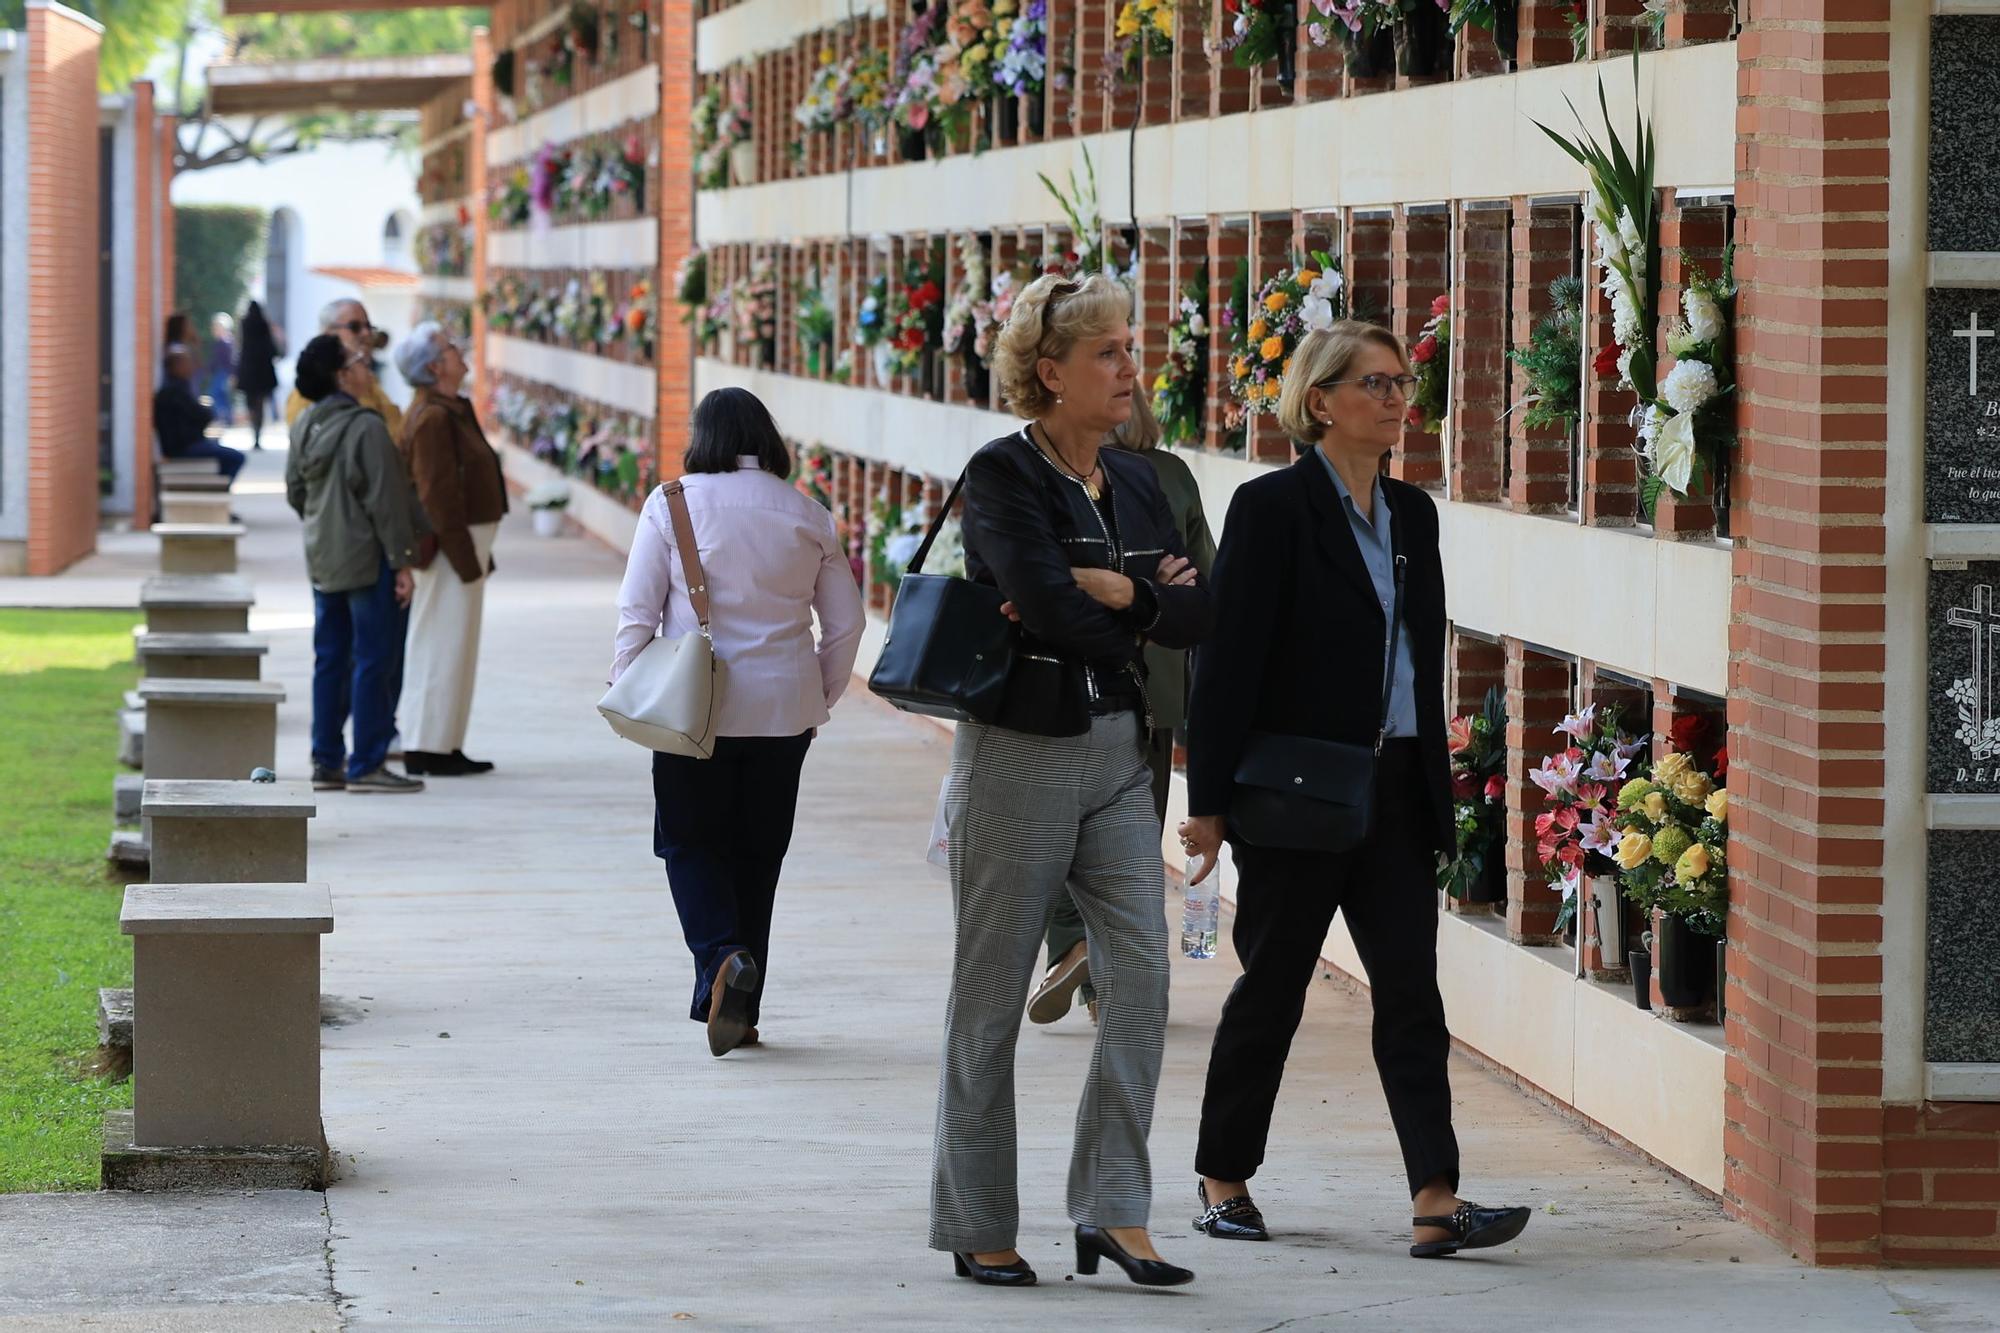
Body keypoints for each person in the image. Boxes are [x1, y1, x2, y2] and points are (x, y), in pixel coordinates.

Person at [1179, 321, 1531, 1260]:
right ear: (1321, 399)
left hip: (1399, 790)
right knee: (1275, 988)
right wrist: (1206, 802)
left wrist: (1441, 790)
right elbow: (1228, 662)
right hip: (1295, 794)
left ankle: (1435, 1196)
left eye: (1401, 383)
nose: (1395, 398)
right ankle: (1222, 1178)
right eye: (1374, 383)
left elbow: (1422, 656)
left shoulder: (1416, 514)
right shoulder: (1270, 509)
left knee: (1413, 995)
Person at [930, 272, 1211, 1290]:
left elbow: (1198, 610)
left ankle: (1112, 1212)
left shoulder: (1139, 480)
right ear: (1047, 374)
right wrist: (1141, 605)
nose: (1129, 368)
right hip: (1020, 746)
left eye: (1128, 348)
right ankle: (975, 1219)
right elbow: (1044, 607)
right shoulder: (999, 476)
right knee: (990, 990)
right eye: (1106, 353)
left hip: (1120, 750)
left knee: (1139, 973)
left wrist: (1123, 592)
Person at [610, 387, 864, 1058]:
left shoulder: (670, 505)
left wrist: (628, 682)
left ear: (704, 436)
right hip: (784, 710)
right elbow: (846, 624)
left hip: (694, 705)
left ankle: (722, 958)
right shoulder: (808, 512)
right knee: (759, 856)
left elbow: (638, 611)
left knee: (689, 842)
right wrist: (820, 695)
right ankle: (742, 1012)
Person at [1026, 389, 1215, 1028]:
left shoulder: (1046, 473)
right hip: (1152, 690)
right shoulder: (1173, 476)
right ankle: (1111, 988)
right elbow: (1204, 583)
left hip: (1056, 684)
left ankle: (1073, 949)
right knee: (1131, 839)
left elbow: (1027, 575)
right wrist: (1161, 592)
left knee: (1055, 832)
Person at [285, 334, 427, 795]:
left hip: (325, 558)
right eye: (359, 361)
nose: (368, 367)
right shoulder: (366, 428)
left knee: (330, 658)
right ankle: (366, 761)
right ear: (342, 375)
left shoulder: (306, 423)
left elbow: (296, 493)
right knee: (374, 659)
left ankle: (326, 760)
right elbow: (387, 503)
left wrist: (327, 525)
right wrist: (403, 563)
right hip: (369, 560)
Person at [394, 323, 508, 778]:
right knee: (442, 645)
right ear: (433, 366)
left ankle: (442, 742)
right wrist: (466, 560)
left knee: (453, 645)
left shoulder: (449, 409)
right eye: (449, 348)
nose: (461, 353)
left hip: (463, 545)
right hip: (449, 549)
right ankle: (429, 747)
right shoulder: (434, 417)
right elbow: (437, 497)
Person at [286, 299, 403, 437]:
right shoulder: (312, 390)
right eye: (355, 327)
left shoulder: (369, 381)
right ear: (328, 332)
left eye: (368, 327)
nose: (366, 334)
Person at [153, 346, 245, 483]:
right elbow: (201, 415)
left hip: (184, 444)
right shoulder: (174, 391)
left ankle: (216, 487)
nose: (191, 367)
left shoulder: (177, 387)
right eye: (187, 363)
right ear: (176, 366)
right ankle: (217, 488)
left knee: (222, 450)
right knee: (236, 458)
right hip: (182, 447)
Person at [236, 301, 281, 450]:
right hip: (263, 370)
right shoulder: (263, 324)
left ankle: (254, 431)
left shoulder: (244, 324)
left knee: (251, 404)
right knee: (260, 404)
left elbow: (241, 345)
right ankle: (257, 434)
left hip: (249, 369)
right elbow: (271, 346)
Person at [204, 314, 237, 425]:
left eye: (216, 327)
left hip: (224, 373)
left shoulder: (225, 342)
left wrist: (232, 375)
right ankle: (227, 418)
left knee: (216, 394)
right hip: (222, 372)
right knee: (221, 396)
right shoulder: (226, 341)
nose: (214, 330)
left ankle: (223, 418)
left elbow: (229, 360)